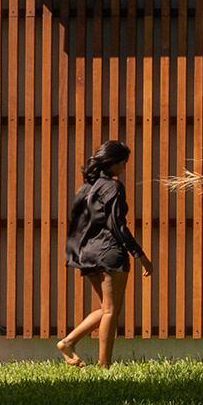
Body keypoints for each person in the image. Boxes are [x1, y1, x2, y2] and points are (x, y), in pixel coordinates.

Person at [55, 139, 149, 368]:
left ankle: (68, 342)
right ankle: (105, 366)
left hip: (86, 254)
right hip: (110, 253)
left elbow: (76, 225)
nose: (125, 168)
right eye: (123, 163)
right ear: (112, 163)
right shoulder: (113, 187)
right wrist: (140, 255)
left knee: (107, 308)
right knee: (111, 311)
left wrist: (74, 256)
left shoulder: (84, 189)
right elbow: (118, 225)